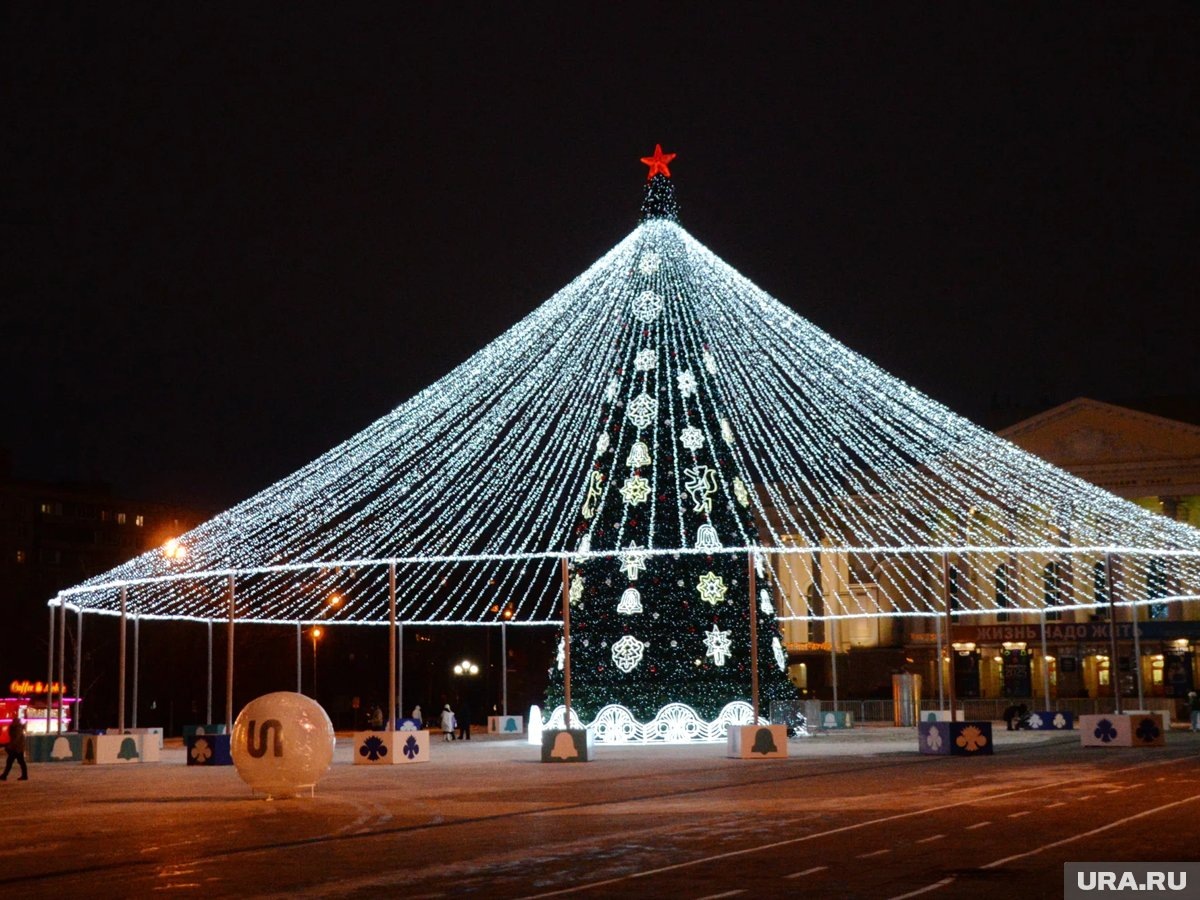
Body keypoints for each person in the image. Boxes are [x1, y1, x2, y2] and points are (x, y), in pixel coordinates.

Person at [2, 712, 28, 781]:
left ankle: (4, 775)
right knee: (19, 762)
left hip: (16, 748)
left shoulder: (17, 729)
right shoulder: (18, 728)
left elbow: (15, 739)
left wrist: (9, 746)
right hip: (18, 748)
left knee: (11, 762)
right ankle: (24, 775)